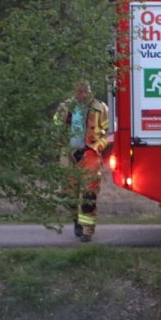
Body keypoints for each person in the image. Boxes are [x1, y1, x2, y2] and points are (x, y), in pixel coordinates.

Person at [54, 80, 109, 242]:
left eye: (84, 92)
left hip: (90, 153)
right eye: (79, 92)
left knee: (89, 195)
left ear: (89, 92)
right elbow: (56, 125)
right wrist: (59, 140)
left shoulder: (100, 108)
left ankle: (88, 231)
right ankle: (76, 221)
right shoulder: (65, 107)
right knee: (68, 194)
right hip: (69, 153)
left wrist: (97, 147)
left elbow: (109, 132)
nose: (82, 95)